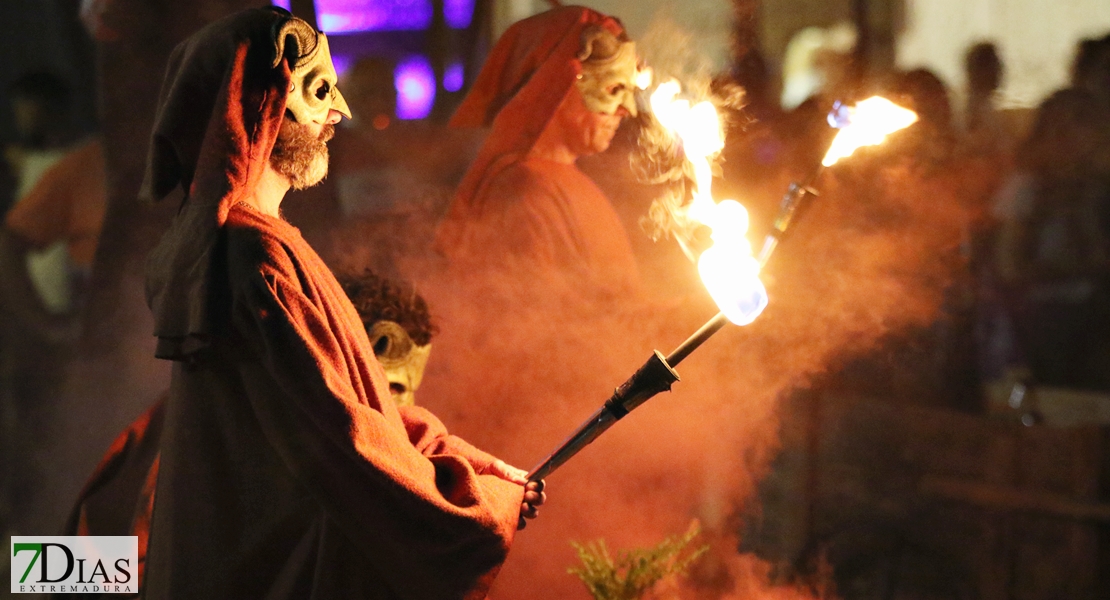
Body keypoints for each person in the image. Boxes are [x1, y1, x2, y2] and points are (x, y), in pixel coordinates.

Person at [138, 8, 542, 598]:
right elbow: (338, 437)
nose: (342, 111)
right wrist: (474, 507)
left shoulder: (261, 245)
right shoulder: (252, 258)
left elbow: (354, 402)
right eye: (320, 89)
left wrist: (459, 460)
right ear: (262, 102)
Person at [61, 268, 445, 592]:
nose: (406, 409)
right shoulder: (220, 412)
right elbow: (58, 567)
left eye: (410, 389)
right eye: (392, 387)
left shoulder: (326, 452)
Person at [433, 6, 643, 300]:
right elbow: (536, 324)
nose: (626, 109)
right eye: (613, 88)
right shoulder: (524, 190)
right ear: (557, 85)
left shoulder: (569, 182)